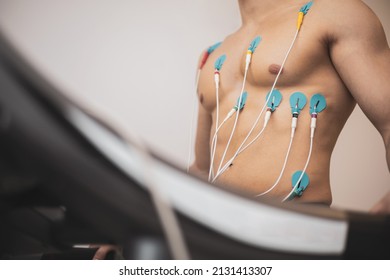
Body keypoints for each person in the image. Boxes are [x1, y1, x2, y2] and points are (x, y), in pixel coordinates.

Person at [190, 0, 390, 208]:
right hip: (219, 218)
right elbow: (201, 170)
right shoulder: (212, 57)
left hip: (294, 222)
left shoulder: (335, 13)